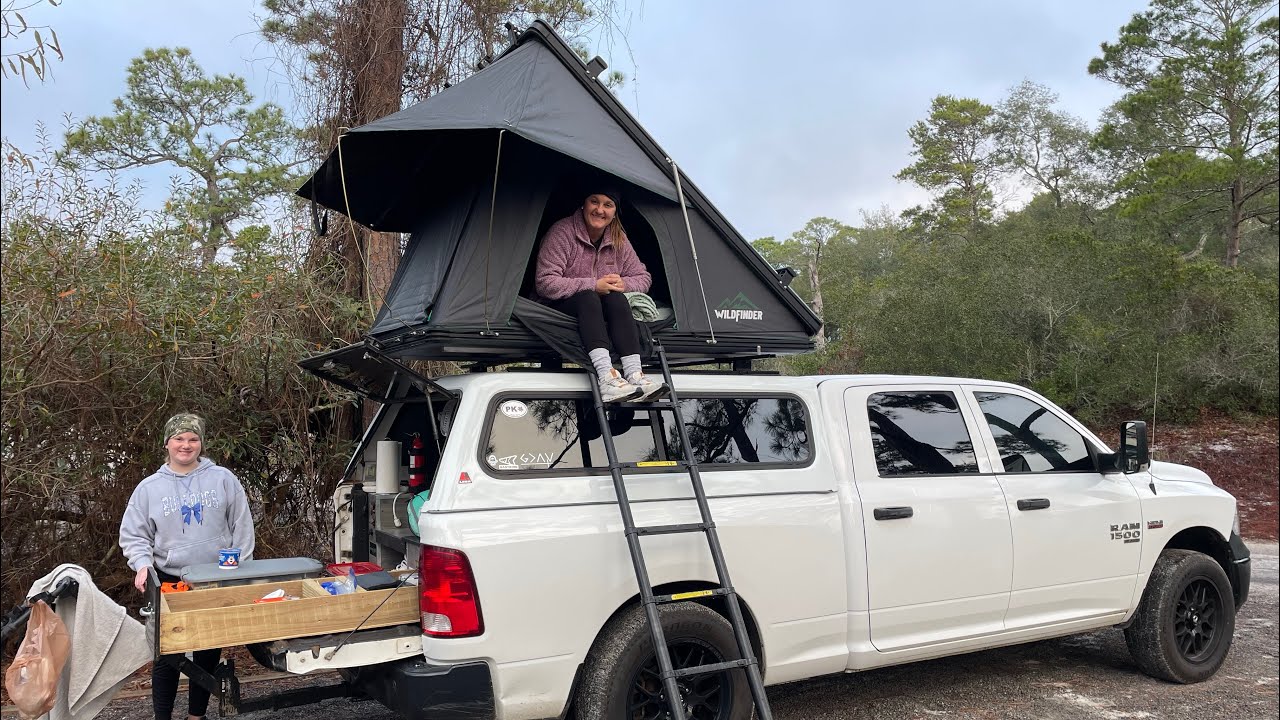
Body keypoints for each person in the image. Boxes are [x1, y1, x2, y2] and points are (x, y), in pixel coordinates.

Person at [119, 413, 255, 720]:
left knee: (208, 649)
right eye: (179, 439)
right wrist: (142, 566)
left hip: (213, 577)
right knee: (168, 655)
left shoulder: (223, 479)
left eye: (193, 439)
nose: (186, 445)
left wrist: (234, 567)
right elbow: (134, 535)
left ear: (201, 444)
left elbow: (241, 526)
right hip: (169, 579)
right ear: (167, 443)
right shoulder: (149, 488)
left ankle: (197, 716)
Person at [535, 186, 669, 403]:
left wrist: (623, 283)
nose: (600, 210)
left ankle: (635, 374)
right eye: (594, 202)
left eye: (608, 205)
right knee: (589, 296)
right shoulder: (563, 232)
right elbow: (544, 283)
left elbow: (644, 278)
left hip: (598, 309)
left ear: (615, 212)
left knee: (616, 297)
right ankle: (606, 376)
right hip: (557, 304)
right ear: (583, 204)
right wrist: (592, 284)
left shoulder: (618, 239)